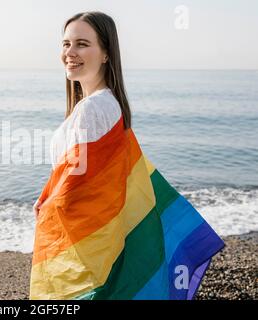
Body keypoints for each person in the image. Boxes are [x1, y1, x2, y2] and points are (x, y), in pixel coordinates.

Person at [30, 11, 224, 300]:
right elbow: (86, 173)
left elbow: (81, 185)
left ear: (106, 53)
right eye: (66, 44)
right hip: (93, 233)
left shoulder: (93, 109)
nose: (70, 52)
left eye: (82, 44)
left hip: (88, 236)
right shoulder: (103, 104)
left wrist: (50, 203)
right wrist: (47, 194)